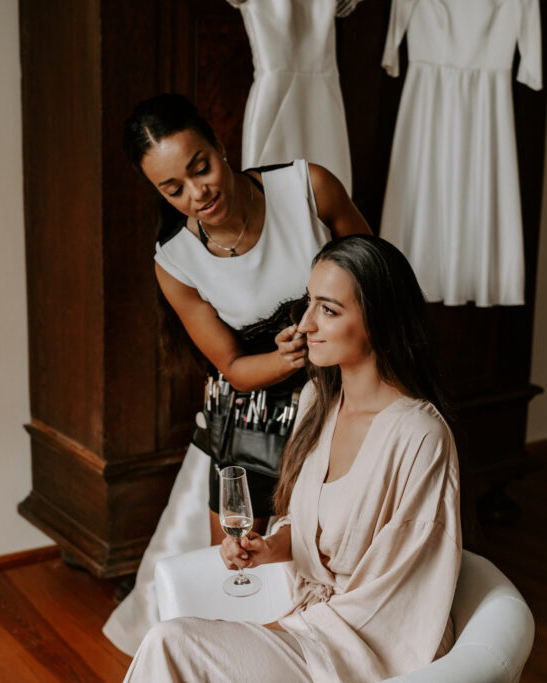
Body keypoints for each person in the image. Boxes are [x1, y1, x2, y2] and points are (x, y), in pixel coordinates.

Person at [124, 234, 462, 682]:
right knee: (171, 647)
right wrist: (271, 546)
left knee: (170, 643)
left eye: (328, 309)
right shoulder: (316, 402)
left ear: (379, 318)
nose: (305, 325)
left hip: (369, 644)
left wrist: (286, 632)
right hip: (306, 621)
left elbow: (404, 590)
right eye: (309, 303)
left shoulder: (420, 436)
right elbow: (310, 525)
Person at [103, 93, 370, 655]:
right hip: (253, 413)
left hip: (348, 388)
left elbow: (377, 274)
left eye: (200, 167)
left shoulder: (307, 188)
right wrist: (288, 357)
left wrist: (330, 332)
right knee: (241, 562)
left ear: (221, 146)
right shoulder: (174, 262)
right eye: (173, 188)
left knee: (341, 552)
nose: (197, 194)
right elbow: (231, 365)